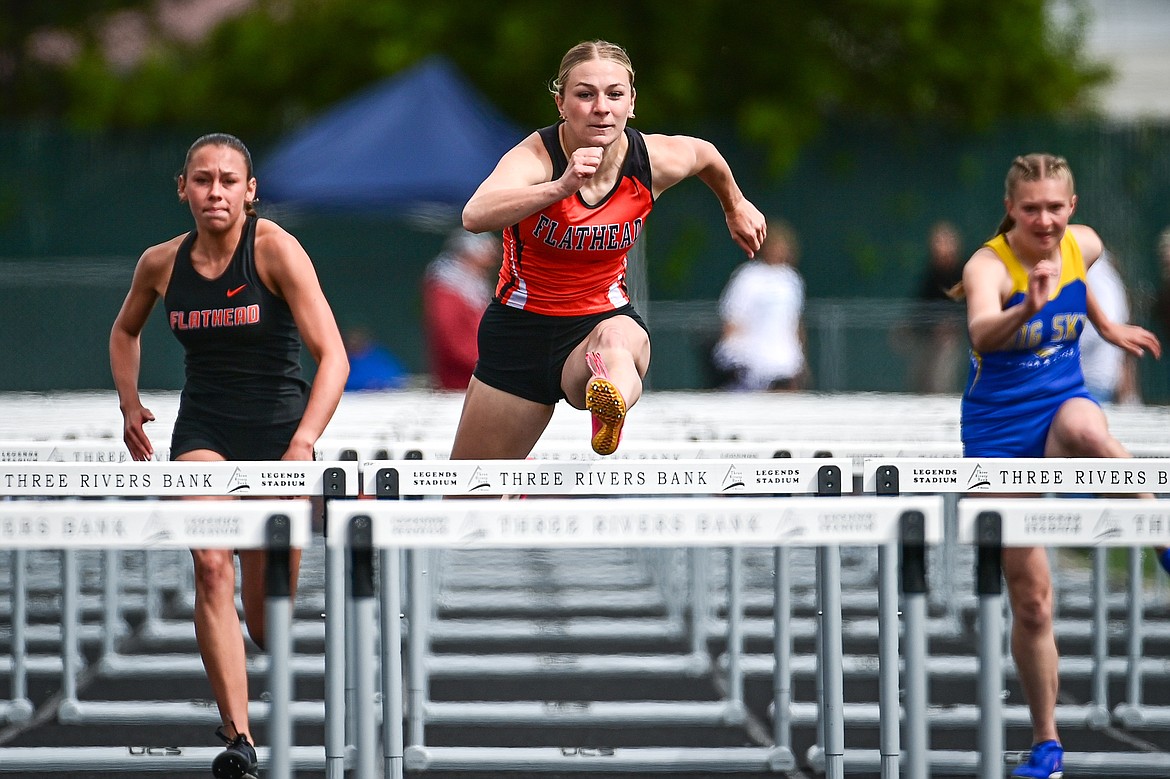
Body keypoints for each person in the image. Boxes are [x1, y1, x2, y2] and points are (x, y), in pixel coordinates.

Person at [109, 133, 349, 779]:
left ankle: (270, 658)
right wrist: (130, 403)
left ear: (250, 190)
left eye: (228, 180)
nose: (215, 191)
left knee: (271, 613)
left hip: (279, 436)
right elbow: (125, 328)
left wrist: (303, 443)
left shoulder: (273, 249)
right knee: (211, 566)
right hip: (204, 432)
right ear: (183, 188)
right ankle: (238, 735)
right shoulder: (161, 263)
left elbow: (335, 356)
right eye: (203, 179)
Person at [455, 39, 765, 458]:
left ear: (631, 102)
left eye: (614, 94)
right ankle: (516, 489)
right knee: (474, 495)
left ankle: (609, 403)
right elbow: (476, 215)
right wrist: (560, 187)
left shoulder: (652, 160)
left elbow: (704, 155)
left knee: (618, 344)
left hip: (599, 321)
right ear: (561, 103)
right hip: (520, 334)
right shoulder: (537, 156)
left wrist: (735, 205)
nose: (602, 107)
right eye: (585, 94)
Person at [955, 153, 1161, 779]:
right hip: (998, 430)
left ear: (1071, 208)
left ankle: (1162, 537)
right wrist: (1027, 308)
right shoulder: (986, 266)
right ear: (1011, 210)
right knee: (1035, 600)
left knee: (1086, 427)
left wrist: (1107, 324)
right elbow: (983, 333)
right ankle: (1047, 742)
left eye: (1054, 208)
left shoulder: (1083, 242)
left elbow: (1083, 274)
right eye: (1030, 209)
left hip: (1061, 397)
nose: (1044, 221)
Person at [711, 219, 807, 390]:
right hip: (753, 360)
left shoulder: (791, 280)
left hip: (783, 359)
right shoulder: (749, 277)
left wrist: (801, 358)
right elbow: (733, 318)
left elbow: (793, 321)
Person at [420, 228, 499, 390]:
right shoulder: (446, 290)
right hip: (458, 383)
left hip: (481, 376)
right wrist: (493, 363)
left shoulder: (475, 287)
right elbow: (453, 341)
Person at [908, 220, 966, 393]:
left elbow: (969, 305)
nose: (941, 246)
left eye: (946, 241)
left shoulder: (963, 272)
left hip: (951, 339)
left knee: (940, 380)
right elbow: (921, 303)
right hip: (927, 337)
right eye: (938, 241)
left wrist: (952, 323)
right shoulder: (931, 273)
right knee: (920, 378)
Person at [1080, 250, 1138, 404]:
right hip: (1093, 379)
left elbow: (1109, 319)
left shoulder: (1095, 270)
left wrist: (1062, 348)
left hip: (1090, 379)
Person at [343, 326, 408, 391]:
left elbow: (397, 377)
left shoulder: (381, 357)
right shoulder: (344, 359)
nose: (354, 342)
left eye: (358, 338)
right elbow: (341, 381)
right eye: (352, 339)